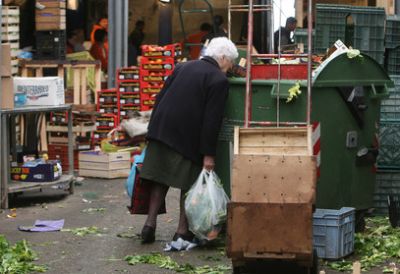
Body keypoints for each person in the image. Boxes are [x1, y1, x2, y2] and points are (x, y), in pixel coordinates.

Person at [139, 37, 238, 244]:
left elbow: (160, 98)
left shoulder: (182, 67)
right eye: (230, 63)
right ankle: (182, 231)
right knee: (189, 183)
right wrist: (208, 155)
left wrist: (151, 131)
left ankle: (149, 225)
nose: (230, 68)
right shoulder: (218, 80)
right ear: (222, 57)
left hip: (161, 129)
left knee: (159, 178)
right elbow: (212, 121)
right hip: (186, 136)